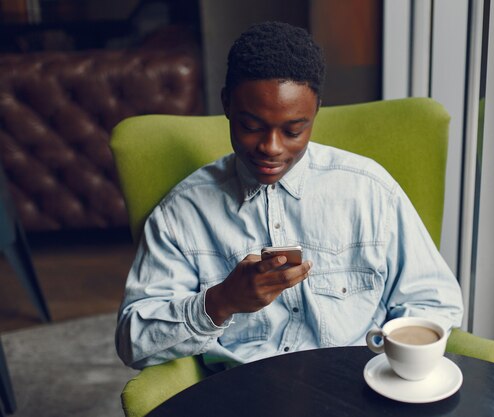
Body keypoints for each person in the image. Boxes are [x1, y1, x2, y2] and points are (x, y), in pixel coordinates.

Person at [115, 21, 463, 370]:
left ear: (315, 113)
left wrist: (390, 354)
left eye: (293, 131)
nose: (271, 147)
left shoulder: (369, 190)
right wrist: (221, 300)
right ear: (227, 105)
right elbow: (133, 342)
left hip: (356, 389)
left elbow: (433, 299)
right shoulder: (182, 213)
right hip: (248, 396)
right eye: (251, 126)